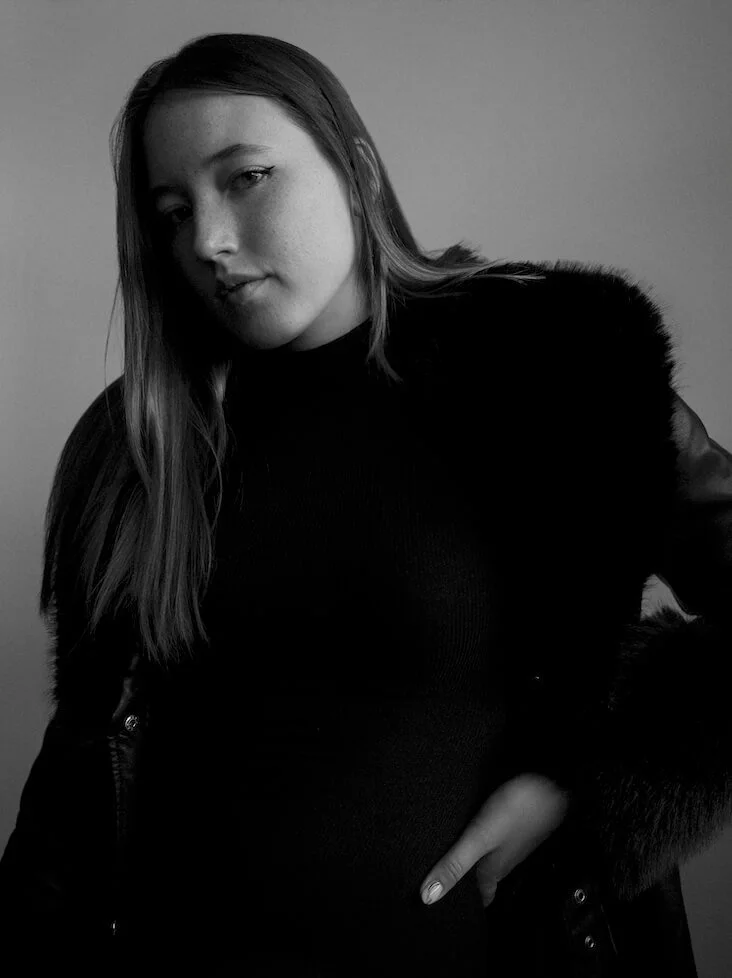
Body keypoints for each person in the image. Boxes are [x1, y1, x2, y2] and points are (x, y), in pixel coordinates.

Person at [1, 31, 730, 978]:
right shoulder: (137, 444)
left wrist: (598, 784)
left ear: (355, 170)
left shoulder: (561, 365)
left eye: (247, 178)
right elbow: (73, 790)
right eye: (173, 212)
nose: (208, 241)